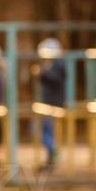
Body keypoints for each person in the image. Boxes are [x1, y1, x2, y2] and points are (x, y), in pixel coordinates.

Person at [35, 37, 66, 170]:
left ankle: (53, 152)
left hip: (53, 103)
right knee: (44, 130)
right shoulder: (52, 64)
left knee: (45, 130)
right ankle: (51, 156)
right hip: (48, 103)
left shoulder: (58, 64)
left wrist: (42, 74)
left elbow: (55, 81)